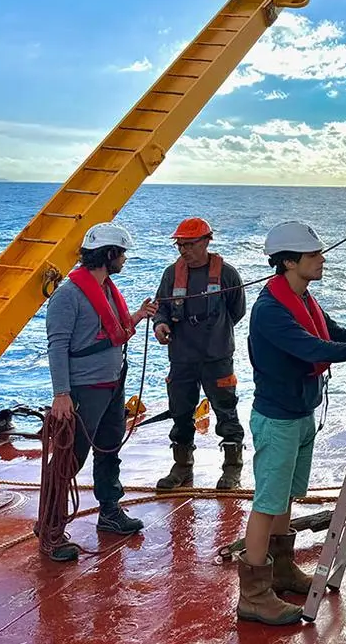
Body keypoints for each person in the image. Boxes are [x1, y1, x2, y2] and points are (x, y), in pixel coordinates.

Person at [236, 221, 346, 625]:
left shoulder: (302, 298)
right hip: (278, 419)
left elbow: (329, 332)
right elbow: (310, 347)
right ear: (289, 262)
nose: (322, 259)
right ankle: (253, 595)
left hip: (299, 413)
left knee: (285, 497)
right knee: (267, 503)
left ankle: (283, 569)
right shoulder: (270, 311)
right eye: (313, 255)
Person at [43, 222, 158, 561]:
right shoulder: (68, 295)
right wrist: (61, 394)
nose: (124, 259)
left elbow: (109, 332)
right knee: (70, 456)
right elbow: (57, 345)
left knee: (109, 447)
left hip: (112, 384)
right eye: (121, 253)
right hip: (84, 389)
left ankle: (110, 511)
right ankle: (50, 527)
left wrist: (137, 316)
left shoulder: (106, 289)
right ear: (108, 254)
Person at [152, 217, 247, 490]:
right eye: (180, 245)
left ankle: (232, 470)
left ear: (206, 242)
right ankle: (182, 466)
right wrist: (161, 324)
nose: (184, 250)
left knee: (226, 412)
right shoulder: (172, 274)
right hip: (181, 358)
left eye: (190, 244)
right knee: (180, 412)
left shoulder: (227, 274)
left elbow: (236, 311)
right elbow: (163, 307)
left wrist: (214, 331)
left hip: (217, 357)